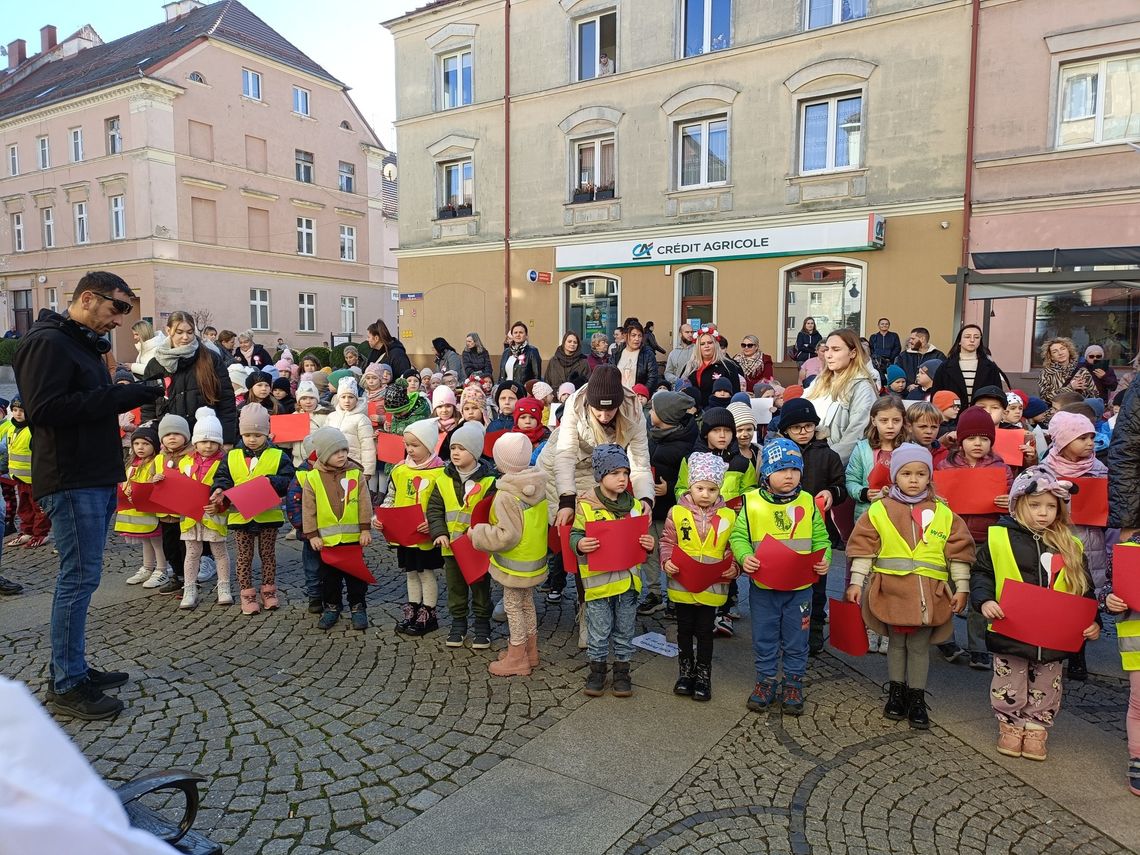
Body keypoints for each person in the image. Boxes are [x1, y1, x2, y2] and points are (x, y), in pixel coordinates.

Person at [13, 271, 163, 720]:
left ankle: (73, 667)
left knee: (83, 577)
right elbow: (45, 410)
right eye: (117, 308)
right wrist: (120, 398)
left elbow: (77, 400)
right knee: (77, 579)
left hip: (90, 473)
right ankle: (66, 683)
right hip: (70, 476)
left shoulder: (75, 343)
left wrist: (118, 392)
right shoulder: (48, 343)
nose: (121, 321)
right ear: (87, 299)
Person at [971, 468, 1098, 761]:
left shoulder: (1070, 544)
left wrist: (1092, 620)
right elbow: (982, 574)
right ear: (1017, 505)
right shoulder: (999, 537)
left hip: (1053, 634)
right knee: (1009, 680)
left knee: (1048, 684)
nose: (1043, 513)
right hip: (1011, 627)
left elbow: (1085, 588)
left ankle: (1037, 726)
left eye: (1051, 506)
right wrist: (985, 600)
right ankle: (1010, 724)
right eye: (1035, 505)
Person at [846, 443, 975, 729]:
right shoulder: (879, 510)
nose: (913, 479)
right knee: (896, 643)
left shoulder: (943, 512)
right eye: (906, 473)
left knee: (918, 646)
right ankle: (896, 691)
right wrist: (857, 581)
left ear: (930, 476)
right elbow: (864, 547)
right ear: (895, 476)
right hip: (891, 589)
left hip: (929, 593)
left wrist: (962, 586)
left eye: (920, 473)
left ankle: (916, 696)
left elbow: (958, 551)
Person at [732, 439, 831, 715]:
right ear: (766, 474)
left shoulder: (808, 501)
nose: (789, 476)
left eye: (795, 469)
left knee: (796, 638)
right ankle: (765, 681)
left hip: (799, 588)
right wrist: (743, 556)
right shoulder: (750, 502)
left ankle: (793, 682)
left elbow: (821, 539)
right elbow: (739, 536)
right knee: (764, 636)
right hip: (765, 587)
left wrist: (824, 560)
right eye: (782, 470)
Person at [571, 444, 655, 697]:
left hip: (628, 584)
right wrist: (579, 543)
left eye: (625, 473)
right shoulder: (586, 504)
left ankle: (622, 671)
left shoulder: (635, 507)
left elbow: (643, 538)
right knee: (598, 630)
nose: (622, 478)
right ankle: (596, 671)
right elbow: (575, 533)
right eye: (614, 473)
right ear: (600, 475)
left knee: (625, 630)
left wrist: (648, 544)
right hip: (598, 584)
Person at [936, 405, 1012, 669]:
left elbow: (1016, 501)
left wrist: (1009, 502)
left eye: (984, 438)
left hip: (985, 538)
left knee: (980, 590)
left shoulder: (1001, 468)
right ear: (960, 439)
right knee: (949, 589)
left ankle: (978, 645)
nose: (977, 443)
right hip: (953, 538)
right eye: (971, 438)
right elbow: (931, 498)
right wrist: (938, 500)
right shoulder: (945, 466)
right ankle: (944, 637)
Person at [470, 433, 549, 676]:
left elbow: (507, 536)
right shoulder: (538, 486)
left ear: (500, 462)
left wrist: (478, 533)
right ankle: (530, 651)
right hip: (534, 560)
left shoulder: (507, 494)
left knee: (513, 607)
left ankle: (517, 656)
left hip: (515, 563)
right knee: (527, 604)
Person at [661, 452, 738, 702]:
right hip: (683, 582)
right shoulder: (677, 512)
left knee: (705, 630)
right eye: (700, 488)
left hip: (712, 585)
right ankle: (685, 672)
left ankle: (704, 675)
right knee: (684, 629)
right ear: (691, 486)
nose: (705, 494)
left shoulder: (728, 516)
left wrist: (734, 566)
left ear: (719, 490)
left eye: (712, 489)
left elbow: (733, 547)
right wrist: (667, 561)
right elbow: (668, 541)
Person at [778, 397, 847, 655]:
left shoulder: (828, 455)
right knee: (786, 583)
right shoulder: (779, 452)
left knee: (817, 584)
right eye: (797, 427)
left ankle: (814, 627)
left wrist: (832, 492)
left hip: (818, 533)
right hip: (785, 530)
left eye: (808, 426)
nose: (803, 431)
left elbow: (842, 486)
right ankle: (787, 627)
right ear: (786, 430)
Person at [209, 404, 294, 614]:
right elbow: (222, 477)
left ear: (266, 433)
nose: (252, 439)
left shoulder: (278, 455)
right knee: (244, 556)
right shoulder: (231, 456)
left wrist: (271, 482)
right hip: (240, 515)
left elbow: (289, 479)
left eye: (257, 434)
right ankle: (247, 593)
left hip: (268, 515)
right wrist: (219, 488)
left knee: (268, 555)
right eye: (247, 434)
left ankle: (269, 591)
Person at [427, 422, 495, 649]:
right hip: (451, 547)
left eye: (462, 448)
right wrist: (439, 532)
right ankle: (458, 623)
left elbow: (492, 513)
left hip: (477, 548)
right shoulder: (443, 480)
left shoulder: (489, 482)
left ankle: (482, 625)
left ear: (475, 452)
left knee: (480, 586)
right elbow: (434, 509)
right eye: (453, 447)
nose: (455, 452)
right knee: (455, 588)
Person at [376, 418, 446, 635]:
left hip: (426, 534)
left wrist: (435, 524)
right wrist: (383, 518)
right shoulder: (399, 470)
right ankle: (413, 608)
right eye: (407, 445)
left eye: (415, 445)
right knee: (411, 573)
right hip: (404, 534)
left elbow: (445, 503)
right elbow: (392, 495)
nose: (410, 449)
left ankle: (429, 612)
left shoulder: (440, 472)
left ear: (429, 445)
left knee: (425, 572)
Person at [303, 426, 374, 631]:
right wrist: (312, 535)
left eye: (344, 450)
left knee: (356, 577)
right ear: (324, 454)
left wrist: (365, 529)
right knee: (329, 578)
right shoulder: (313, 477)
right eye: (336, 452)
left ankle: (358, 606)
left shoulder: (355, 473)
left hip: (352, 539)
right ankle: (332, 607)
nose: (342, 455)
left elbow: (364, 502)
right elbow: (308, 509)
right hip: (327, 540)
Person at [141, 311, 238, 448]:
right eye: (179, 332)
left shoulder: (210, 359)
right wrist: (150, 438)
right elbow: (148, 407)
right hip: (169, 443)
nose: (185, 337)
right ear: (168, 330)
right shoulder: (155, 364)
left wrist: (227, 439)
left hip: (206, 442)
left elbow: (226, 401)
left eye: (190, 332)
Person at [176, 407, 232, 609]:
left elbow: (230, 488)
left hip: (214, 515)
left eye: (213, 442)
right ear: (195, 442)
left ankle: (223, 586)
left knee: (219, 551)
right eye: (203, 441)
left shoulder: (225, 462)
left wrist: (220, 504)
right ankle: (189, 588)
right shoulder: (185, 462)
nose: (208, 446)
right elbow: (178, 487)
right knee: (192, 553)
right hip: (190, 515)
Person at [803, 329, 879, 465]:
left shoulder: (862, 387)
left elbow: (856, 436)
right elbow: (799, 412)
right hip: (807, 455)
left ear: (853, 353)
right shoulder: (819, 381)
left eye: (836, 349)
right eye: (826, 349)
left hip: (836, 465)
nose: (828, 355)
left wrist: (826, 463)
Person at [116, 423, 166, 586]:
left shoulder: (156, 463)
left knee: (157, 541)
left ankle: (162, 569)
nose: (140, 447)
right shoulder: (132, 465)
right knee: (146, 540)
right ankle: (147, 567)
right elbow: (127, 482)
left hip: (151, 509)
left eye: (145, 444)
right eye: (137, 444)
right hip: (137, 509)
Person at [6, 396, 51, 549]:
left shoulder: (32, 430)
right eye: (15, 410)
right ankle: (27, 531)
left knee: (38, 507)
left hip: (34, 478)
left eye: (21, 411)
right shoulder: (12, 428)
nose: (18, 414)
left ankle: (40, 534)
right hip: (19, 477)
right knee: (24, 507)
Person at [932, 324, 1005, 408]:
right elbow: (936, 395)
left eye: (977, 337)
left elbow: (998, 395)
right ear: (959, 341)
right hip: (952, 415)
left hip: (982, 415)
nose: (972, 340)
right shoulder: (945, 366)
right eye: (967, 337)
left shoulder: (990, 367)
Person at [684, 325, 746, 409]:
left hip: (721, 412)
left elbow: (736, 393)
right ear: (698, 347)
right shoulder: (690, 366)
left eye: (710, 343)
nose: (706, 346)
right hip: (696, 412)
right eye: (702, 344)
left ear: (716, 345)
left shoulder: (728, 365)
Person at [610, 319, 659, 391]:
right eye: (633, 335)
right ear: (626, 336)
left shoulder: (647, 354)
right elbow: (610, 376)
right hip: (618, 397)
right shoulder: (616, 353)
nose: (637, 339)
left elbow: (652, 378)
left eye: (640, 336)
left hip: (639, 398)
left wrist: (642, 394)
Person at [664, 323, 695, 388]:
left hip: (694, 388)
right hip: (678, 388)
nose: (690, 334)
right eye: (687, 332)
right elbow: (668, 373)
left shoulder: (698, 350)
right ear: (680, 334)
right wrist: (678, 380)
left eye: (692, 332)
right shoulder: (673, 353)